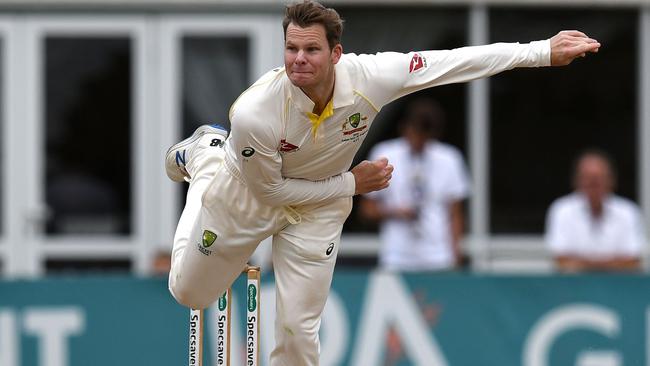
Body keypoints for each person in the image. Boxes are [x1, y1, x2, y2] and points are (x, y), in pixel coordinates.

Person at [165, 1, 600, 364]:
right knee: (190, 293)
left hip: (317, 209)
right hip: (249, 194)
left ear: (336, 53)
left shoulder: (373, 76)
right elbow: (271, 192)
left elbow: (453, 62)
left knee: (299, 333)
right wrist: (352, 185)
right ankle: (206, 158)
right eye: (291, 48)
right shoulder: (255, 113)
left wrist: (541, 51)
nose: (299, 59)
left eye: (311, 49)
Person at [360, 98, 470, 271]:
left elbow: (455, 214)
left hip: (438, 257)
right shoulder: (384, 154)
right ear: (405, 128)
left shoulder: (449, 158)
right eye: (416, 133)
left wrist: (455, 256)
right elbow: (367, 209)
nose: (419, 140)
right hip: (396, 256)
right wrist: (395, 212)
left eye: (425, 135)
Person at [545, 150, 645, 273]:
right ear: (576, 180)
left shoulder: (628, 212)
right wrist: (611, 264)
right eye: (588, 179)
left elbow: (632, 262)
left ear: (611, 180)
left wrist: (583, 264)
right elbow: (561, 261)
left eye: (598, 179)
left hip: (619, 288)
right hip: (573, 288)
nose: (594, 185)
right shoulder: (562, 210)